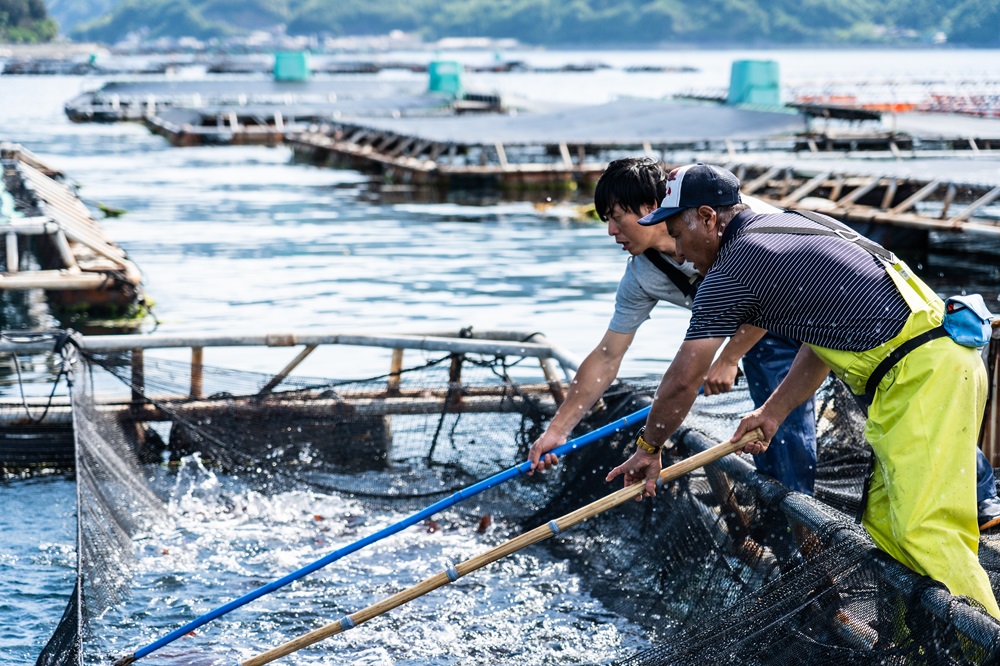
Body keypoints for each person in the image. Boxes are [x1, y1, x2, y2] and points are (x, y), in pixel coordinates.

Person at [606, 162, 1000, 618]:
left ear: (709, 218)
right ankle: (917, 646)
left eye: (677, 232)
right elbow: (823, 342)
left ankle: (981, 645)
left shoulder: (733, 267)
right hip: (929, 364)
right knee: (887, 525)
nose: (677, 250)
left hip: (924, 373)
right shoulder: (789, 226)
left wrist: (649, 447)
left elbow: (682, 381)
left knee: (923, 530)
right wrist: (773, 412)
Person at [528, 157, 818, 496]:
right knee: (766, 437)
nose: (610, 231)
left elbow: (773, 283)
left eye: (617, 218)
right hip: (748, 328)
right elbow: (608, 356)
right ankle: (783, 519)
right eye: (606, 221)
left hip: (811, 305)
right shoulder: (641, 274)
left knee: (782, 424)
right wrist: (558, 430)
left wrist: (728, 357)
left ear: (653, 207)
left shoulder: (733, 218)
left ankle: (802, 523)